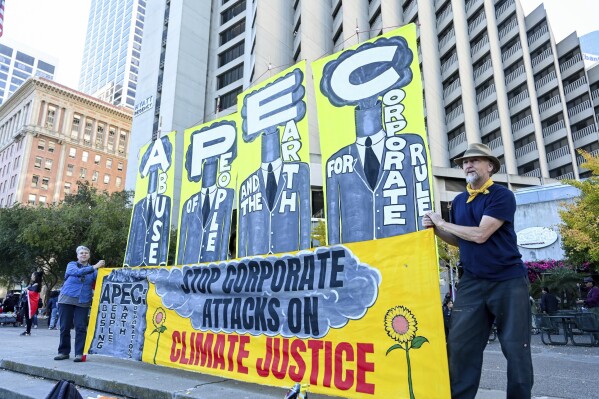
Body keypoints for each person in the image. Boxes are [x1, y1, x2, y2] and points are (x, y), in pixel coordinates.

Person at [423, 143, 533, 399]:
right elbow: (460, 240)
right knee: (460, 345)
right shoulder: (459, 201)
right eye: (464, 162)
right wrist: (436, 230)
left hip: (508, 280)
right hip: (471, 281)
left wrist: (442, 221)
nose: (468, 165)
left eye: (474, 160)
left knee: (516, 348)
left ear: (490, 166)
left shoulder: (501, 195)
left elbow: (481, 234)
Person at [54, 246, 104, 362]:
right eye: (81, 253)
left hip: (83, 300)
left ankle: (79, 353)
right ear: (77, 256)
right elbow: (74, 272)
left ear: (89, 255)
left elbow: (102, 279)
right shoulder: (72, 265)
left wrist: (102, 270)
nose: (83, 254)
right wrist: (95, 266)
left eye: (86, 253)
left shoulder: (94, 271)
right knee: (65, 326)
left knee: (81, 327)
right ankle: (63, 352)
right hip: (66, 299)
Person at [20, 271, 43, 336]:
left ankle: (28, 331)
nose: (31, 276)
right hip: (27, 302)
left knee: (29, 317)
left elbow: (33, 293)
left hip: (30, 303)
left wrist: (27, 290)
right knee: (27, 316)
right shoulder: (33, 284)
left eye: (32, 275)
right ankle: (27, 330)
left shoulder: (37, 285)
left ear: (35, 276)